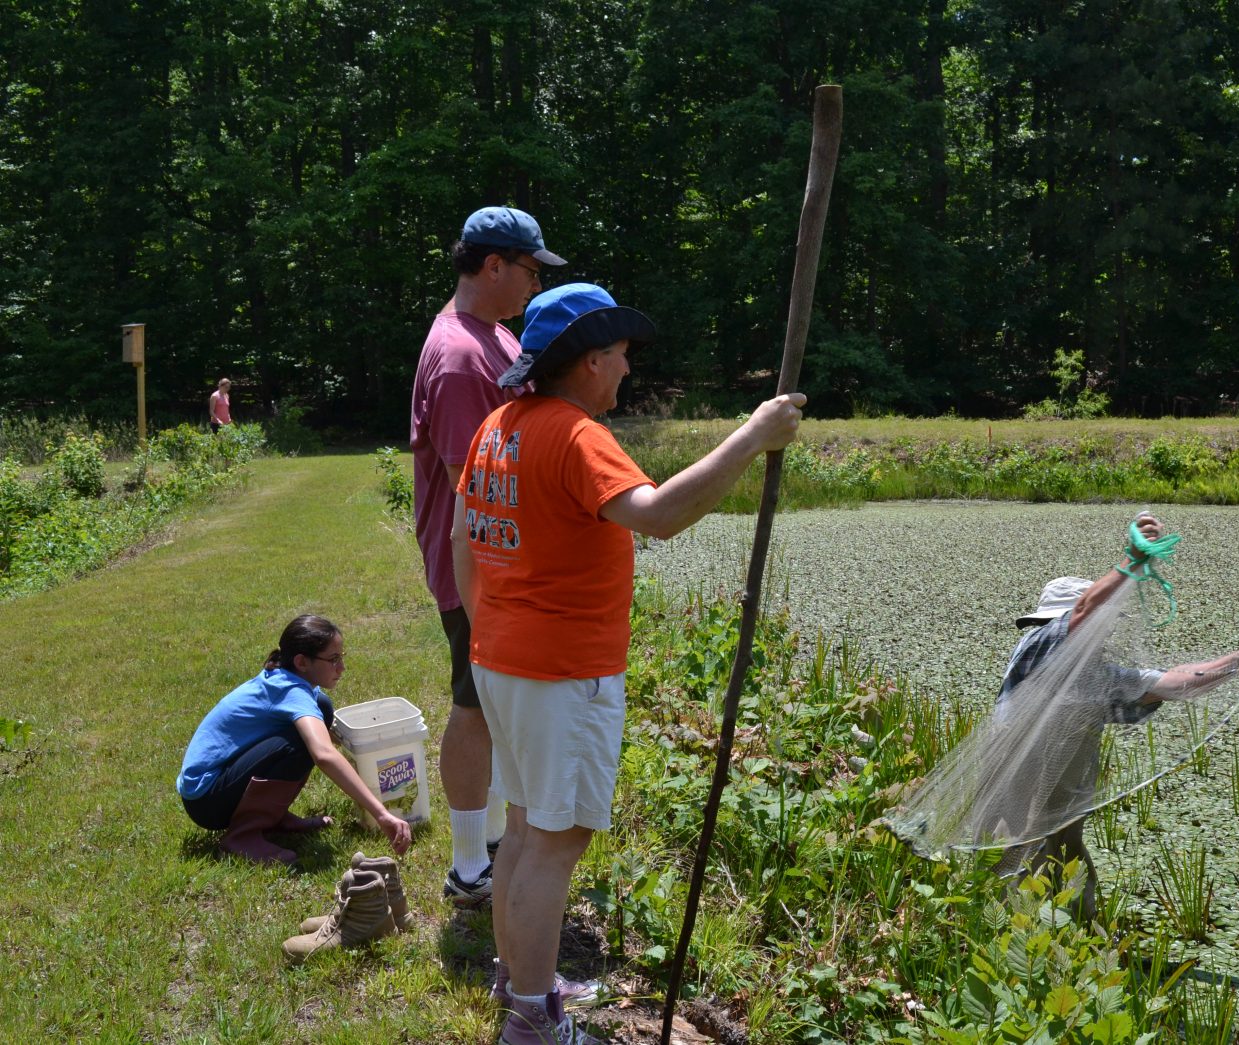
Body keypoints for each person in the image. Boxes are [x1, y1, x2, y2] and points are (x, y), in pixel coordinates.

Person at [451, 283, 806, 1045]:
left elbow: (460, 537)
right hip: (560, 671)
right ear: (587, 361)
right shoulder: (579, 436)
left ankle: (522, 985)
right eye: (619, 357)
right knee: (556, 840)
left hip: (502, 660)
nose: (626, 374)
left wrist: (492, 628)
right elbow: (661, 514)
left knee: (521, 827)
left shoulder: (497, 425)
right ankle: (534, 1023)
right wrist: (754, 435)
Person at [992, 513, 1239, 922]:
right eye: (1095, 626)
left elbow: (1171, 683)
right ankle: (1010, 938)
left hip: (1064, 791)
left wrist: (1232, 664)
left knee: (1069, 851)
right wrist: (1132, 562)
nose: (1102, 633)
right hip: (1017, 780)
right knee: (1018, 852)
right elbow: (1085, 611)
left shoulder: (1096, 675)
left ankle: (1083, 935)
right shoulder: (1040, 647)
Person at [411, 206, 567, 907]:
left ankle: (495, 844)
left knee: (494, 705)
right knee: (473, 705)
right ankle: (470, 864)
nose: (536, 283)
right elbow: (471, 486)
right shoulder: (458, 356)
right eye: (531, 269)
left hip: (504, 564)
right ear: (493, 264)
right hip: (479, 568)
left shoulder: (494, 337)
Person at [176, 615, 413, 865]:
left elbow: (327, 736)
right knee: (301, 744)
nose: (341, 667)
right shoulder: (290, 692)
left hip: (219, 783)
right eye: (333, 659)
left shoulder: (289, 677)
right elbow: (323, 754)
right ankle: (242, 836)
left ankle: (273, 817)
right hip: (207, 800)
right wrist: (382, 814)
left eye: (342, 657)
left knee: (321, 709)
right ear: (301, 661)